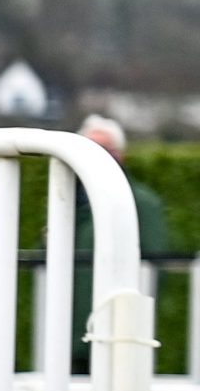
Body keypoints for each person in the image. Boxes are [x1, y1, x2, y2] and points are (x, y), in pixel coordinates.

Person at [69, 114, 174, 372]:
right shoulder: (66, 199)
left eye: (105, 149)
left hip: (118, 332)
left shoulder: (142, 203)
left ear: (121, 154)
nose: (97, 156)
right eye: (89, 147)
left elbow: (152, 265)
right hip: (68, 333)